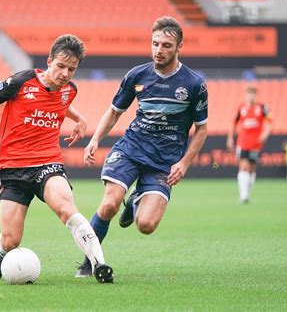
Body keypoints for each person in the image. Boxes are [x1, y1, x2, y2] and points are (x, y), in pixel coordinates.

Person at [0, 34, 113, 283]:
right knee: (11, 239)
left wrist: (79, 120)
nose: (65, 73)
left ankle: (99, 264)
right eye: (60, 66)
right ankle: (1, 254)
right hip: (13, 167)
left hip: (48, 162)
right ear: (49, 61)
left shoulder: (69, 90)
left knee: (65, 207)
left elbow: (61, 100)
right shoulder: (21, 81)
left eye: (71, 69)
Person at [75, 16, 208, 277]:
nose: (159, 50)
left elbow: (201, 128)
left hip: (165, 161)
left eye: (167, 45)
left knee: (146, 225)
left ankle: (135, 201)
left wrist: (183, 163)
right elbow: (114, 112)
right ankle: (90, 260)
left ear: (179, 47)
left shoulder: (193, 84)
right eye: (155, 43)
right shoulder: (137, 75)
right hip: (131, 149)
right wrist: (95, 140)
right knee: (109, 205)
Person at [227, 86, 272, 204]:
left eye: (253, 95)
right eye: (248, 94)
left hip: (256, 144)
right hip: (242, 143)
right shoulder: (241, 108)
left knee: (252, 169)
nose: (250, 97)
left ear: (256, 96)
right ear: (245, 95)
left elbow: (269, 122)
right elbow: (233, 123)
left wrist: (266, 133)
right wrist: (230, 138)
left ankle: (246, 192)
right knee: (244, 166)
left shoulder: (263, 108)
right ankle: (243, 195)